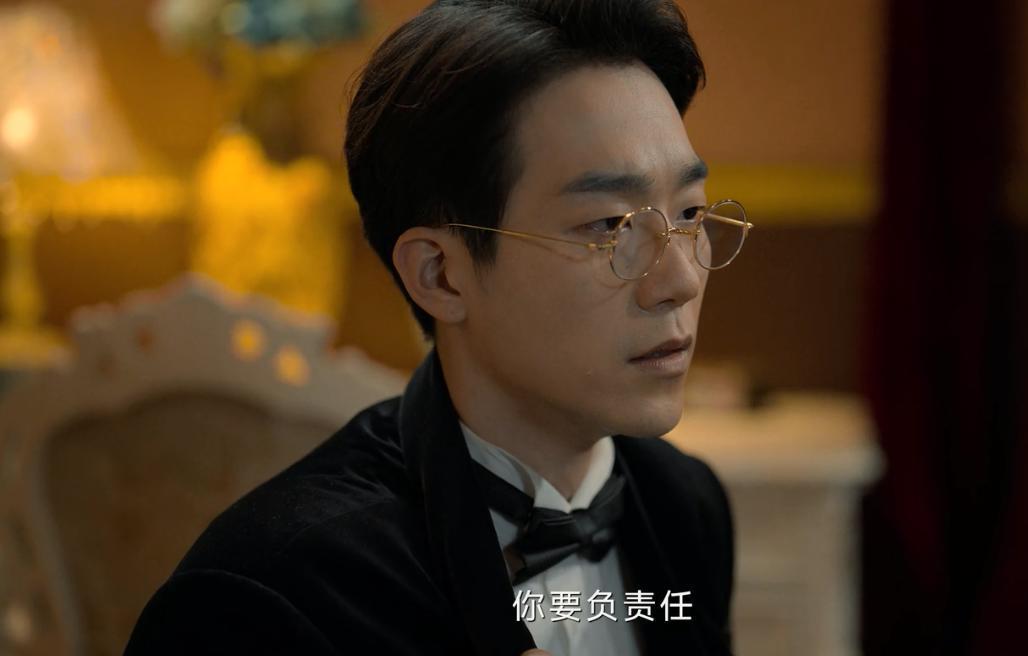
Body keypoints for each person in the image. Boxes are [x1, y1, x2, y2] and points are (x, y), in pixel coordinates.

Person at [125, 0, 751, 654]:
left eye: (690, 212)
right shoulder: (270, 590)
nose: (681, 279)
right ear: (441, 275)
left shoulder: (684, 503)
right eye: (608, 226)